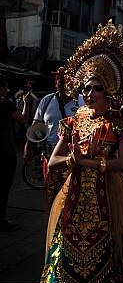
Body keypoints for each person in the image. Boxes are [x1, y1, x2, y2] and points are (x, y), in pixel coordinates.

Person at [35, 20, 123, 283]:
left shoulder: (121, 124)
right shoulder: (72, 122)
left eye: (96, 88)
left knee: (115, 258)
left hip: (109, 199)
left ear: (108, 92)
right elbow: (55, 159)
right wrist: (74, 159)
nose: (89, 93)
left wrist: (90, 163)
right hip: (75, 199)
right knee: (63, 260)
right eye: (86, 88)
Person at [24, 67, 85, 209]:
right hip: (49, 156)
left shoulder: (83, 101)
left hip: (73, 157)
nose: (62, 85)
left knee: (72, 196)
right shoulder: (47, 100)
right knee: (52, 197)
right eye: (59, 81)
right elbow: (36, 126)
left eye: (65, 81)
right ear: (55, 83)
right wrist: (28, 146)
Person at [0, 75, 30, 231]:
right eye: (5, 86)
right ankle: (2, 218)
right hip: (5, 150)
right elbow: (23, 119)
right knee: (4, 185)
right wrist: (25, 102)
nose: (8, 90)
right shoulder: (6, 104)